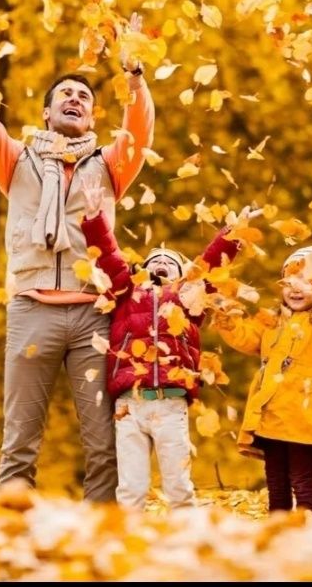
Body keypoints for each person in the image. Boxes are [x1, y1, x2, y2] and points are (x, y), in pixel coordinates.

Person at [0, 0, 155, 501]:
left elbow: (139, 132)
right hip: (31, 311)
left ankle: (100, 533)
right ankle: (12, 527)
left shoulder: (108, 165)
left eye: (84, 96)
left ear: (91, 117)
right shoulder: (17, 161)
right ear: (47, 112)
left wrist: (134, 74)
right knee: (19, 436)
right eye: (65, 94)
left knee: (102, 440)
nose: (75, 98)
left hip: (94, 315)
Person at [78, 177, 260, 509]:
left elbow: (209, 265)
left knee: (178, 485)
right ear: (141, 270)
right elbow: (108, 255)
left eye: (171, 262)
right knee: (131, 488)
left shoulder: (187, 297)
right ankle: (127, 546)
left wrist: (234, 234)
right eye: (153, 260)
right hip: (128, 406)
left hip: (170, 403)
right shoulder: (126, 292)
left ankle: (187, 541)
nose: (161, 262)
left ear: (181, 274)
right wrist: (93, 218)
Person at [214, 246, 312, 517]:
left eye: (308, 283)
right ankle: (278, 523)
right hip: (271, 411)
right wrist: (228, 321)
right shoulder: (271, 321)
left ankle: (307, 521)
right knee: (276, 478)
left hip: (307, 413)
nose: (296, 289)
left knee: (301, 476)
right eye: (290, 282)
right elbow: (247, 337)